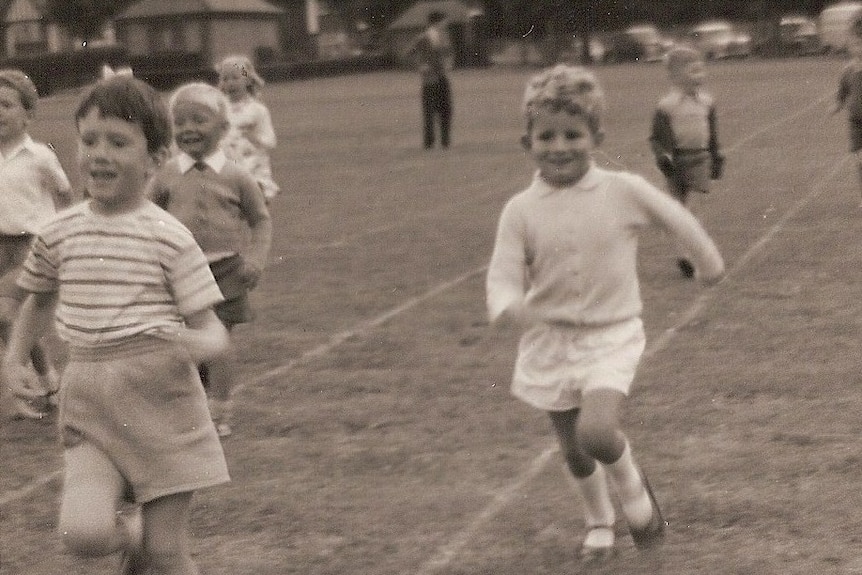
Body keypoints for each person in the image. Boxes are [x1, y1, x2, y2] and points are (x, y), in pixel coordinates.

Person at [486, 64, 725, 563]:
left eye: (572, 134)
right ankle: (599, 521)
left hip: (611, 334)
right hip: (549, 340)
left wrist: (708, 263)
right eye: (545, 136)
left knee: (596, 432)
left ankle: (638, 499)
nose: (559, 146)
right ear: (525, 142)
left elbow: (677, 217)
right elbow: (504, 273)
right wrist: (508, 304)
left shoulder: (623, 190)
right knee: (573, 450)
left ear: (596, 136)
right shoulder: (520, 209)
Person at [1, 74, 231, 575]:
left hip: (162, 403)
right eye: (89, 141)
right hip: (90, 403)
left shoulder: (170, 238)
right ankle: (137, 542)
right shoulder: (58, 232)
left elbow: (214, 332)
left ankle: (154, 550)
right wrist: (14, 358)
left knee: (170, 553)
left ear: (154, 158)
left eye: (119, 142)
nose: (100, 154)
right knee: (82, 534)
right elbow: (38, 301)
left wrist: (193, 342)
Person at [149, 82, 272, 438]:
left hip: (226, 272)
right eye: (181, 122)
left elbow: (260, 219)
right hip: (179, 274)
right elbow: (146, 216)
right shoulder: (166, 174)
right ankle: (187, 406)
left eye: (199, 120)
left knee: (218, 345)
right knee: (183, 347)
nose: (188, 129)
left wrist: (256, 259)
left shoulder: (237, 175)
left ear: (223, 128)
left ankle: (218, 414)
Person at [0, 68, 73, 419]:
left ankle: (29, 388)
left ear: (28, 114)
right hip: (0, 246)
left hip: (31, 245)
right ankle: (48, 384)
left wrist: (60, 235)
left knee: (5, 313)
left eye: (6, 105)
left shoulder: (40, 156)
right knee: (12, 322)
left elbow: (63, 192)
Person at [649, 45, 724, 278]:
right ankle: (683, 255)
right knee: (678, 209)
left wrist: (716, 155)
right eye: (693, 71)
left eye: (701, 70)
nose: (700, 76)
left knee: (694, 206)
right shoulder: (666, 106)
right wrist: (663, 157)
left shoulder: (707, 103)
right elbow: (656, 138)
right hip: (676, 162)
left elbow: (712, 133)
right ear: (676, 76)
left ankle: (692, 252)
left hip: (699, 158)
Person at [215, 54, 280, 202]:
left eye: (235, 78)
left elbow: (270, 141)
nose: (230, 83)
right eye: (225, 79)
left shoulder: (257, 110)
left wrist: (254, 137)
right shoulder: (218, 109)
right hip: (226, 171)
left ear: (248, 80)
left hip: (254, 171)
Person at [406, 10, 454, 149]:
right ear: (437, 22)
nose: (446, 24)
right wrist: (420, 65)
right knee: (429, 111)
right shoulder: (423, 37)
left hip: (442, 77)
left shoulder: (445, 37)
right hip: (429, 79)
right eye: (444, 21)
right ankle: (429, 142)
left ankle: (445, 141)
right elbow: (408, 53)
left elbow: (449, 53)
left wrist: (449, 63)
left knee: (446, 109)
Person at [834, 9, 862, 206]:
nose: (857, 48)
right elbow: (842, 91)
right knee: (859, 162)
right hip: (855, 124)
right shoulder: (848, 70)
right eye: (854, 45)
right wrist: (837, 106)